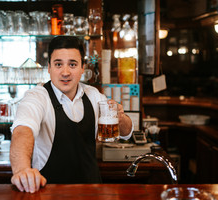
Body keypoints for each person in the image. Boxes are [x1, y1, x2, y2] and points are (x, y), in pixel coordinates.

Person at [10, 36, 133, 193]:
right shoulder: (37, 97)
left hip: (91, 192)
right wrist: (22, 170)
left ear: (82, 68)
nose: (65, 72)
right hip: (49, 193)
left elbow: (126, 133)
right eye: (58, 64)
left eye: (73, 65)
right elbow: (22, 130)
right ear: (49, 67)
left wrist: (120, 117)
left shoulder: (93, 95)